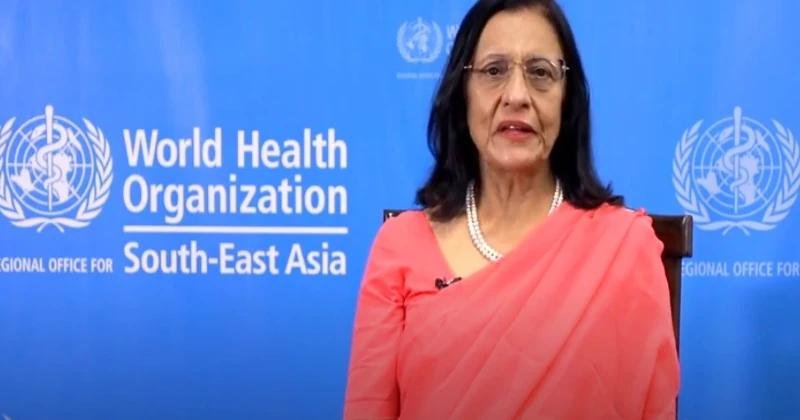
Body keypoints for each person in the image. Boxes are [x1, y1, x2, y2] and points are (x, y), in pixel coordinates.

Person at [344, 0, 679, 418]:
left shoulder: (623, 247)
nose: (517, 96)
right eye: (494, 71)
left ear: (567, 100)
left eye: (540, 72)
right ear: (461, 94)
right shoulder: (400, 245)